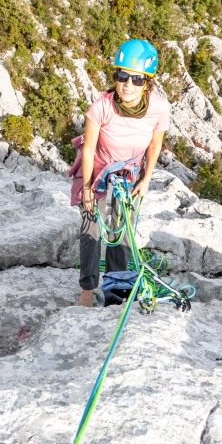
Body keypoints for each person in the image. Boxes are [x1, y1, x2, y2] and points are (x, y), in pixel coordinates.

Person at [67, 39, 170, 307]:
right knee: (91, 225)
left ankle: (115, 288)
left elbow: (155, 145)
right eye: (122, 76)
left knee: (121, 229)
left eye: (137, 79)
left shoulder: (159, 108)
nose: (128, 84)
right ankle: (87, 292)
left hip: (130, 170)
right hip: (98, 166)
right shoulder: (101, 106)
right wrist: (88, 188)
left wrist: (146, 180)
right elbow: (88, 150)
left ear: (148, 82)